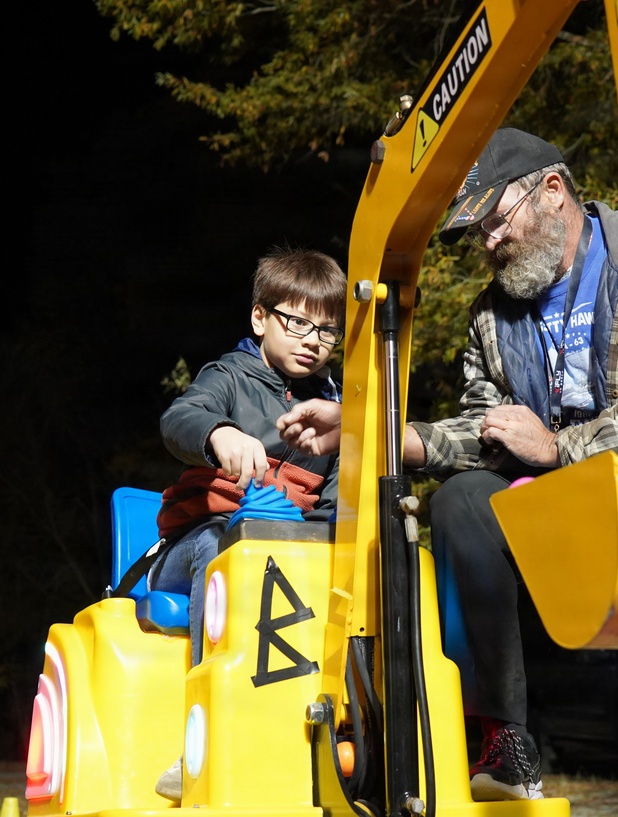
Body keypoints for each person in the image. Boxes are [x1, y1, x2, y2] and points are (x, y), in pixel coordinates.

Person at [277, 129, 618, 815]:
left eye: (497, 219)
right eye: (478, 232)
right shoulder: (493, 320)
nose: (489, 242)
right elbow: (488, 430)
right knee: (466, 500)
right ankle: (505, 737)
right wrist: (375, 434)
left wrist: (558, 447)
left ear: (553, 191)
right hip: (613, 539)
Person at [150, 246, 347, 801]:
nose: (313, 340)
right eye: (298, 321)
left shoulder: (333, 409)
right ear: (260, 318)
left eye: (328, 331)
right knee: (222, 556)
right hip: (194, 546)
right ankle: (199, 737)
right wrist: (218, 433)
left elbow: (333, 507)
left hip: (283, 554)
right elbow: (179, 419)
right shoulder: (228, 377)